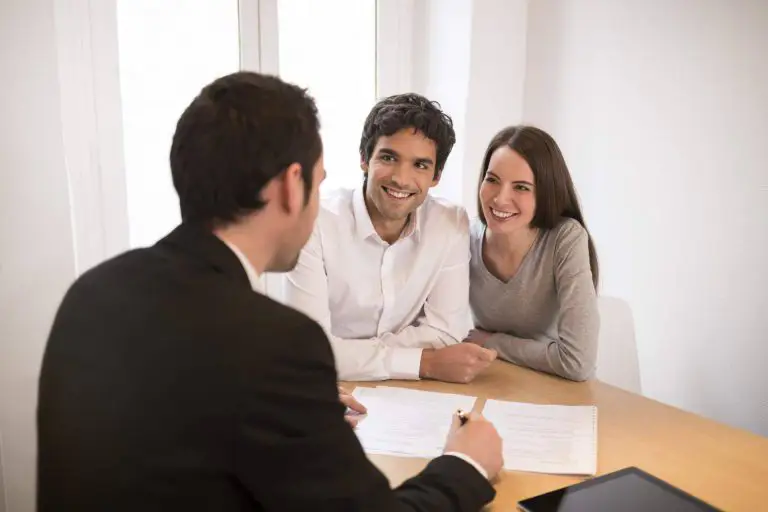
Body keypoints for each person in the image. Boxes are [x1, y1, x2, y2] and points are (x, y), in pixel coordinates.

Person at [37, 72, 503, 511]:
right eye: (319, 182)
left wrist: (297, 409)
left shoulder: (92, 293)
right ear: (290, 187)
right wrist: (465, 465)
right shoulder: (277, 345)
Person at [285, 93, 497, 383]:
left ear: (436, 176)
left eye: (420, 165)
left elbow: (446, 332)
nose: (401, 179)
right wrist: (424, 362)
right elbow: (310, 351)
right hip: (324, 386)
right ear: (364, 159)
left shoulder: (449, 223)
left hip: (408, 393)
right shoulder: (314, 222)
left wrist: (349, 355)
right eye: (388, 158)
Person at [463, 125, 600, 382]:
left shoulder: (565, 238)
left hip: (557, 387)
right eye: (492, 180)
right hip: (494, 378)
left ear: (545, 193)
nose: (500, 199)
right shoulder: (464, 237)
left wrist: (492, 342)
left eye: (521, 187)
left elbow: (577, 363)